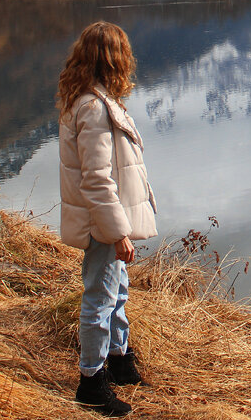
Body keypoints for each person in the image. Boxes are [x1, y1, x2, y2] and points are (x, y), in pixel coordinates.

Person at [56, 21, 158, 417]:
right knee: (99, 298)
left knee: (117, 293)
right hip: (103, 222)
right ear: (115, 59)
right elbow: (97, 180)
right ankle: (91, 384)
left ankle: (118, 361)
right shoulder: (94, 108)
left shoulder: (89, 100)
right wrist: (118, 233)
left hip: (107, 220)